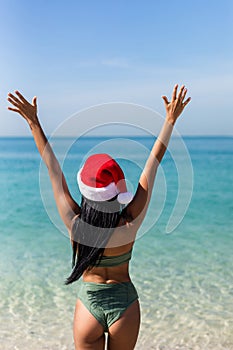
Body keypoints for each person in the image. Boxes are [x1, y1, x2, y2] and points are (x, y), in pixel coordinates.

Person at [7, 84, 191, 350]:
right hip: (125, 307)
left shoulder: (75, 225)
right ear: (117, 192)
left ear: (86, 192)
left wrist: (33, 122)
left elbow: (52, 168)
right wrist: (170, 120)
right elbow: (154, 161)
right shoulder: (130, 221)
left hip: (88, 307)